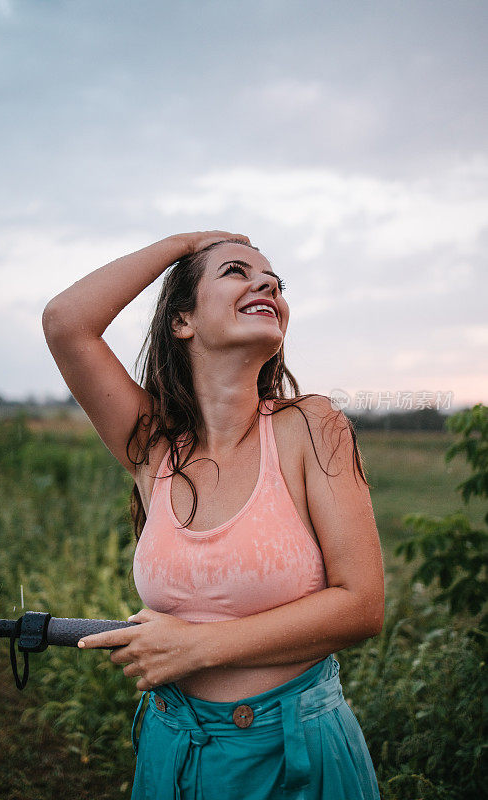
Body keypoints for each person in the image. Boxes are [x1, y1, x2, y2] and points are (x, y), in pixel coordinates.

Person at [42, 231, 384, 799]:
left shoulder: (311, 426)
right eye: (235, 271)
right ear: (183, 321)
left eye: (275, 281)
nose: (267, 284)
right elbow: (66, 322)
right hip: (173, 749)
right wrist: (185, 243)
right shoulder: (153, 447)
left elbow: (362, 605)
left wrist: (197, 647)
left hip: (295, 755)